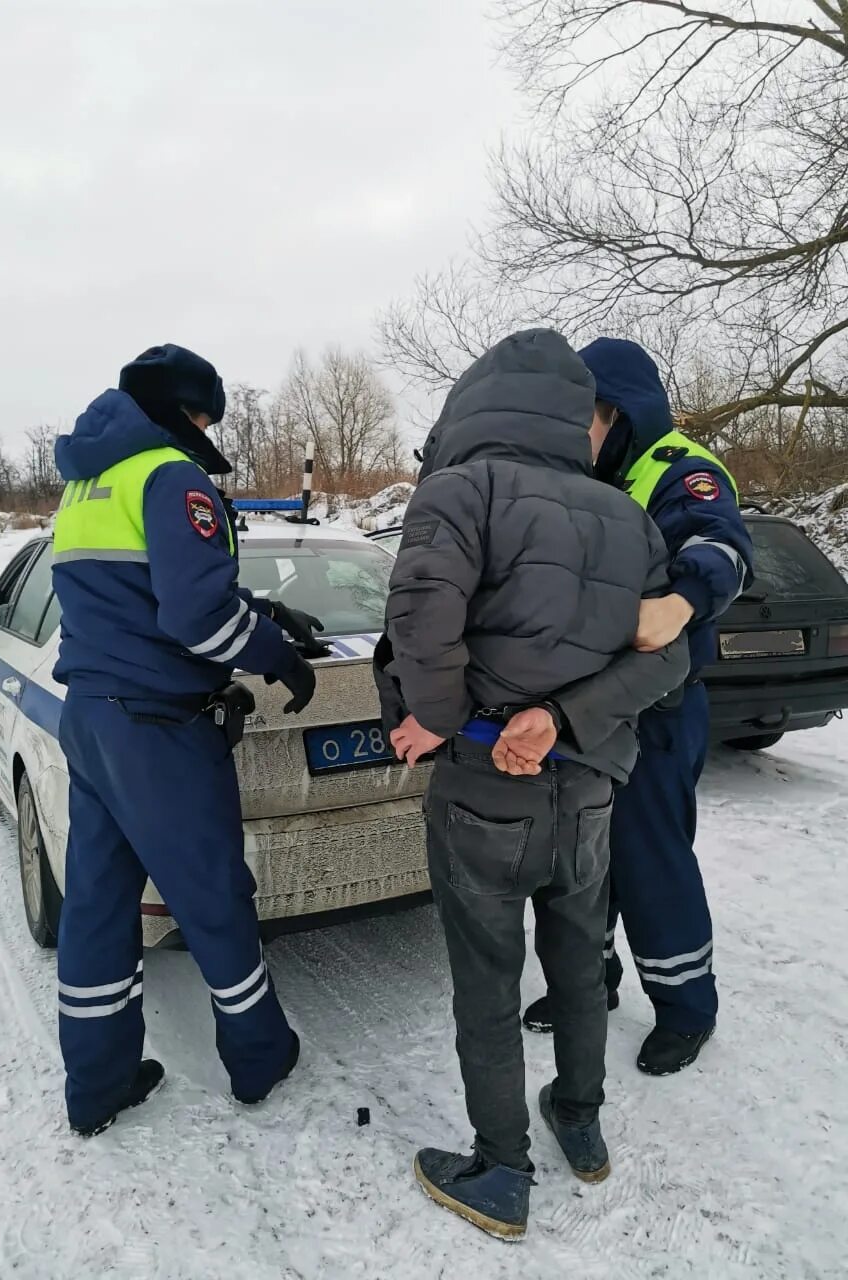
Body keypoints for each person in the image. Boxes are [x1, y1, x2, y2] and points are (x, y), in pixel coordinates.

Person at [375, 329, 690, 1240]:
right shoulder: (624, 516)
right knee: (578, 959)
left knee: (487, 978)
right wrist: (566, 721)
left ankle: (502, 1171)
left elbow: (418, 616)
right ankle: (580, 1121)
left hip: (484, 785)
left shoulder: (459, 490)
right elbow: (668, 657)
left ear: (473, 403)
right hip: (587, 787)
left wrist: (437, 717)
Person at [51, 344, 326, 1136]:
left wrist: (264, 614)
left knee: (100, 908)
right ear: (183, 409)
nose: (208, 428)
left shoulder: (88, 480)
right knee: (213, 897)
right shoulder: (171, 475)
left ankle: (97, 1084)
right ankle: (259, 1056)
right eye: (207, 414)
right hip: (160, 731)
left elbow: (133, 595)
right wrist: (273, 654)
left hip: (94, 716)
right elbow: (194, 616)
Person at [520, 338, 754, 1076]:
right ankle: (589, 982)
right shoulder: (589, 476)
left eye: (580, 417)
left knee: (650, 858)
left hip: (658, 702)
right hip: (588, 705)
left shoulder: (679, 469)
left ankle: (687, 1006)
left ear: (617, 411)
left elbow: (723, 547)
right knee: (579, 860)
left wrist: (684, 598)